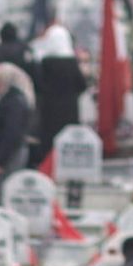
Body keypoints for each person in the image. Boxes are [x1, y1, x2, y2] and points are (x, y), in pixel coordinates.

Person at [31, 20, 87, 164]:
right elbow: (82, 84)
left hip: (49, 109)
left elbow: (39, 85)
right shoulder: (71, 63)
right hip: (69, 109)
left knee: (50, 142)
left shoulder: (45, 63)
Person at [0, 59, 34, 176]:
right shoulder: (9, 99)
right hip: (8, 151)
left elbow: (11, 132)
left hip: (11, 154)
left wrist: (1, 162)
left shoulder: (13, 102)